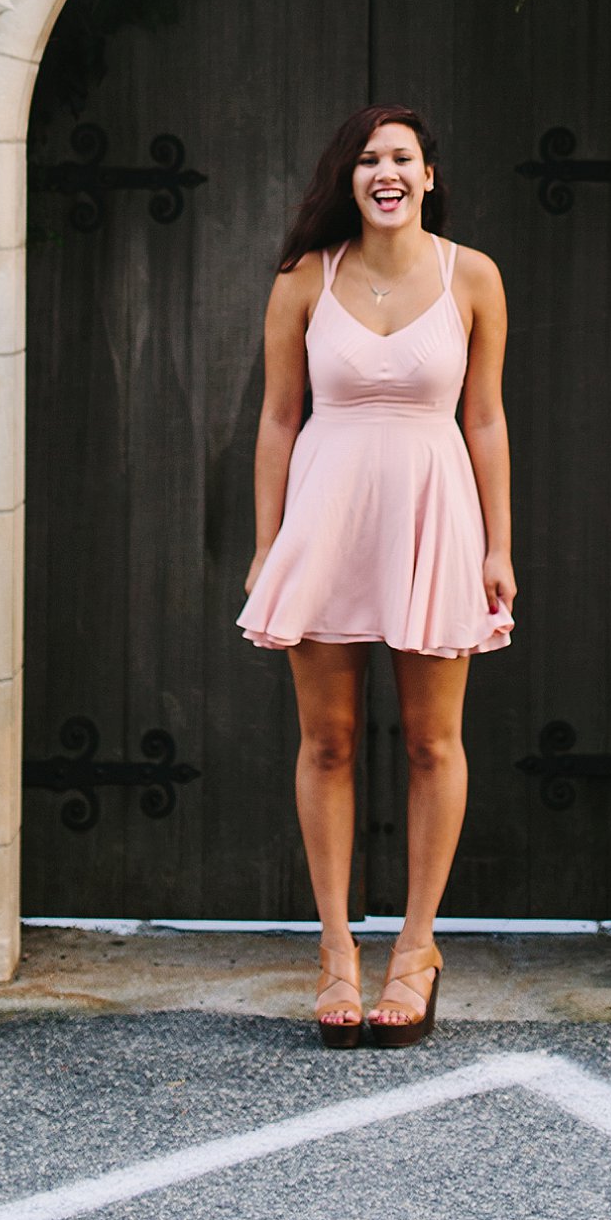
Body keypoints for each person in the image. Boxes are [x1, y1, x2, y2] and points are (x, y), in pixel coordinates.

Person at [240, 105, 517, 1047]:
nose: (385, 171)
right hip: (327, 518)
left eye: (401, 157)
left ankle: (416, 947)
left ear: (429, 175)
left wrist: (498, 545)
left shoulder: (471, 275)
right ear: (349, 178)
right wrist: (269, 541)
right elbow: (278, 418)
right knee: (331, 740)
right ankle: (335, 954)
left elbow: (485, 418)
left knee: (435, 742)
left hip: (435, 517)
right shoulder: (303, 280)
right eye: (367, 159)